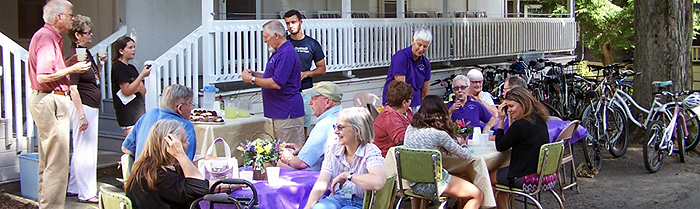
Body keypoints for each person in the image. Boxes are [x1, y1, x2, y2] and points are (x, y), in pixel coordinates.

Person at [27, 1, 91, 208]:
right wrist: (71, 70)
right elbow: (44, 76)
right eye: (70, 15)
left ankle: (47, 204)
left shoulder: (51, 38)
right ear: (58, 18)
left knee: (49, 161)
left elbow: (49, 69)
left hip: (46, 99)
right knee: (57, 163)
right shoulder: (46, 38)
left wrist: (68, 63)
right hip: (50, 99)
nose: (73, 19)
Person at [404, 95, 484, 209]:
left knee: (465, 180)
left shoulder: (411, 128)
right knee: (477, 194)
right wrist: (463, 144)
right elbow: (465, 156)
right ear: (441, 112)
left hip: (412, 182)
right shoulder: (439, 134)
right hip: (433, 184)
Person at [305, 107, 387, 209]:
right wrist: (308, 207)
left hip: (361, 202)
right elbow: (322, 183)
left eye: (340, 127)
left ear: (357, 130)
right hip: (337, 198)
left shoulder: (370, 151)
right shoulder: (333, 149)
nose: (335, 131)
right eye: (335, 126)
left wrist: (348, 175)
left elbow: (378, 182)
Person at [241, 20, 305, 145]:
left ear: (276, 35)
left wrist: (252, 80)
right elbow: (272, 76)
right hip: (279, 111)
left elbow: (277, 83)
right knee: (280, 151)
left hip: (287, 112)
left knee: (289, 153)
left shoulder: (286, 53)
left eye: (266, 37)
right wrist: (254, 74)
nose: (264, 41)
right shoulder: (280, 52)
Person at [64, 14, 105, 204]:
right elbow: (73, 88)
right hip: (84, 107)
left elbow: (93, 79)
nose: (91, 36)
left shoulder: (85, 53)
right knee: (85, 151)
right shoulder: (75, 57)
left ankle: (74, 186)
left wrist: (102, 64)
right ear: (77, 35)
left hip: (90, 105)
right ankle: (87, 192)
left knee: (82, 148)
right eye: (87, 33)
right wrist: (81, 115)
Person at [124, 119, 208, 209]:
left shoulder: (145, 168)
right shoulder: (160, 176)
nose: (188, 143)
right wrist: (180, 154)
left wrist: (218, 186)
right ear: (171, 145)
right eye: (184, 141)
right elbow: (199, 188)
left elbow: (189, 184)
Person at [491, 87, 550, 209]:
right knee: (502, 177)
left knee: (489, 177)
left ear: (523, 104)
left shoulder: (520, 125)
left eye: (511, 106)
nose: (509, 111)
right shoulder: (539, 120)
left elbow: (500, 146)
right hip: (544, 174)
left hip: (526, 177)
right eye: (507, 107)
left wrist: (501, 121)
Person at [278, 81, 342, 171]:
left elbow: (301, 163)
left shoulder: (324, 125)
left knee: (278, 163)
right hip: (341, 173)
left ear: (328, 102)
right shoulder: (344, 117)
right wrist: (302, 149)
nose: (309, 103)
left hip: (323, 176)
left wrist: (288, 158)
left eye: (314, 99)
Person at [122, 84, 197, 160]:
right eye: (191, 104)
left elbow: (126, 149)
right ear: (180, 108)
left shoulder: (148, 114)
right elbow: (186, 163)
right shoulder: (186, 126)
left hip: (140, 170)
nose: (192, 108)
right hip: (168, 171)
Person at [284, 10, 327, 138]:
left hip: (305, 91)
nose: (291, 26)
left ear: (300, 22)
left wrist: (306, 73)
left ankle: (303, 155)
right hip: (287, 92)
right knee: (288, 128)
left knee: (304, 128)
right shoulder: (284, 43)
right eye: (287, 23)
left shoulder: (312, 44)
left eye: (293, 22)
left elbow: (322, 68)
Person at [382, 26, 432, 110]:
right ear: (413, 40)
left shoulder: (425, 63)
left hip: (416, 102)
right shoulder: (401, 57)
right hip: (397, 102)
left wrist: (425, 109)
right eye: (419, 44)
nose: (421, 49)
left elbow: (425, 92)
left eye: (425, 46)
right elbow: (401, 88)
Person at [111, 36, 150, 136]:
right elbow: (127, 91)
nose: (134, 50)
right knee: (134, 145)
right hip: (127, 114)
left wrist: (135, 86)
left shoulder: (132, 68)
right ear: (121, 51)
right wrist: (141, 76)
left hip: (138, 112)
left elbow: (143, 90)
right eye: (130, 47)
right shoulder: (118, 67)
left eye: (134, 47)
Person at [373, 80, 414, 157]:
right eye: (411, 98)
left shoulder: (406, 111)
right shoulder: (389, 116)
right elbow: (402, 140)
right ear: (404, 102)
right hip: (387, 158)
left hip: (400, 155)